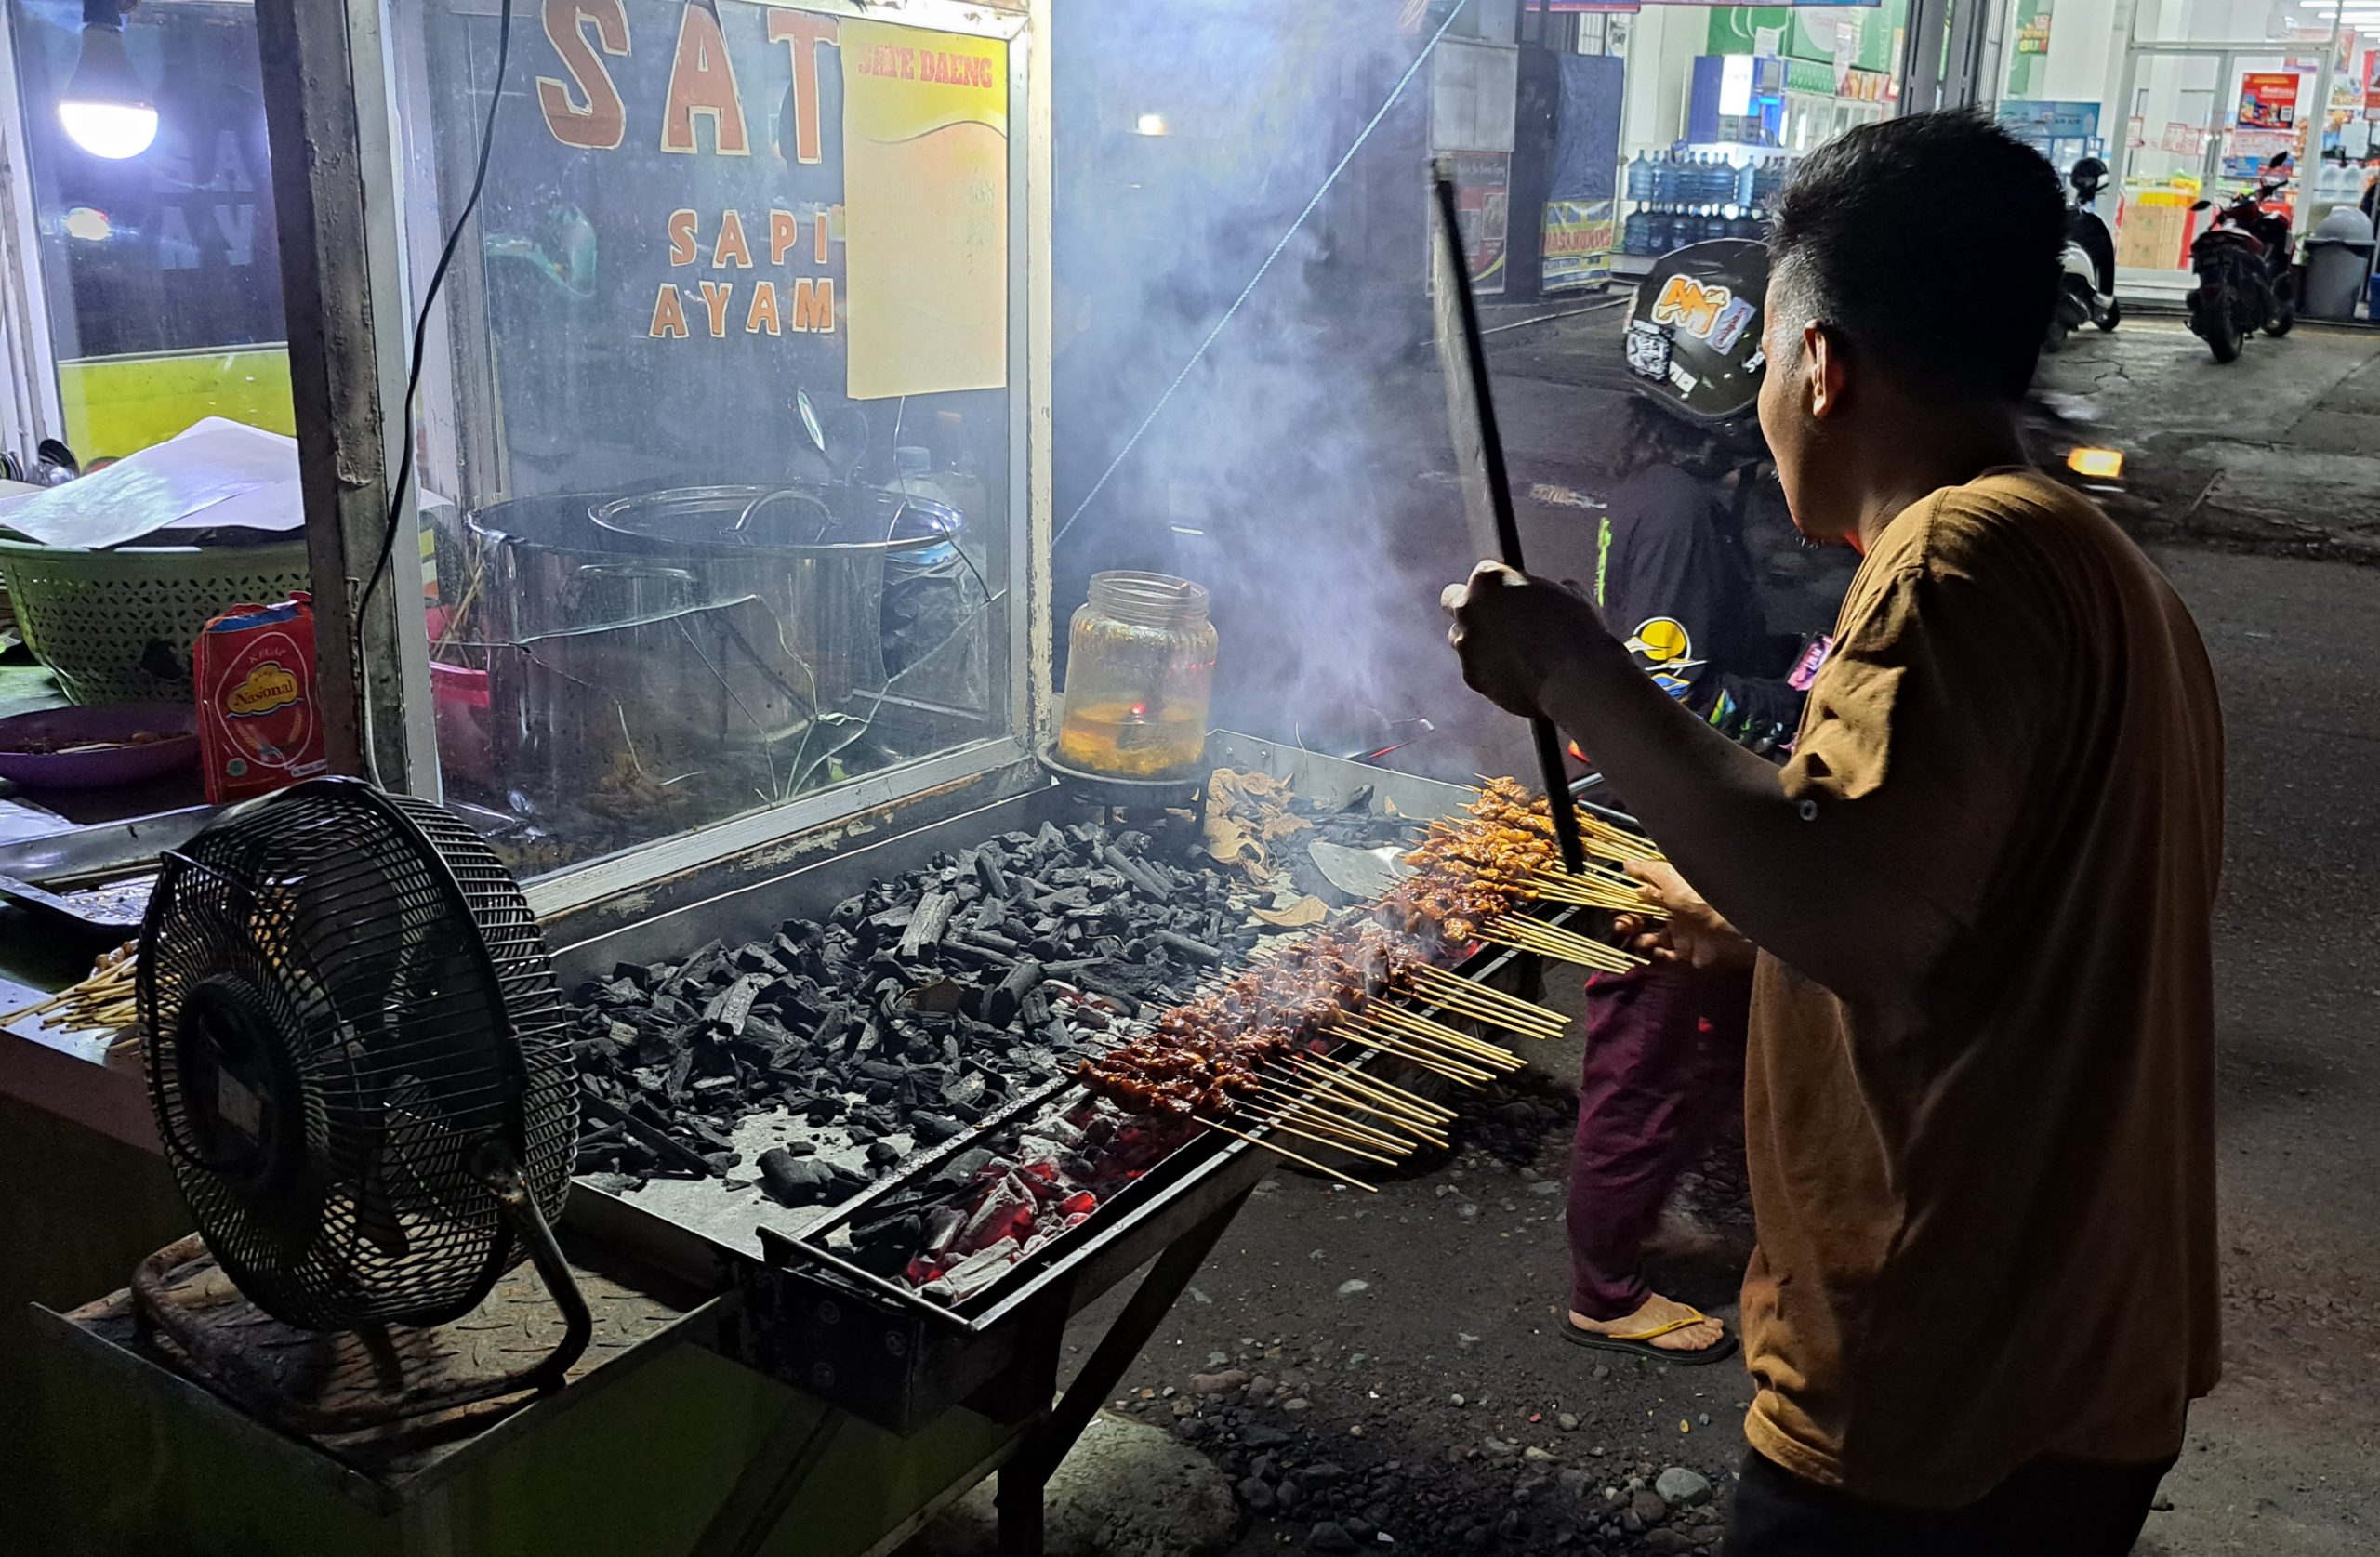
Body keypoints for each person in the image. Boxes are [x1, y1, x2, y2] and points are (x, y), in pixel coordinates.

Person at [1442, 112, 2223, 1554]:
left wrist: (1571, 673)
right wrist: (1745, 916)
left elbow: (1856, 908)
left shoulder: (1952, 558)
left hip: (1939, 1366)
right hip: (2086, 1340)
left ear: (1820, 363)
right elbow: (1982, 901)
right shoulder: (2099, 564)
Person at [1552, 399, 1825, 1366]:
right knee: (1646, 1058)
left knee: (1693, 1050)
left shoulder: (1677, 495)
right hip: (1659, 832)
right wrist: (1800, 692)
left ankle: (1627, 1234)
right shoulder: (1672, 509)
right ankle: (1604, 1289)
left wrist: (1789, 650)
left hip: (1683, 821)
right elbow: (1671, 691)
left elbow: (1690, 652)